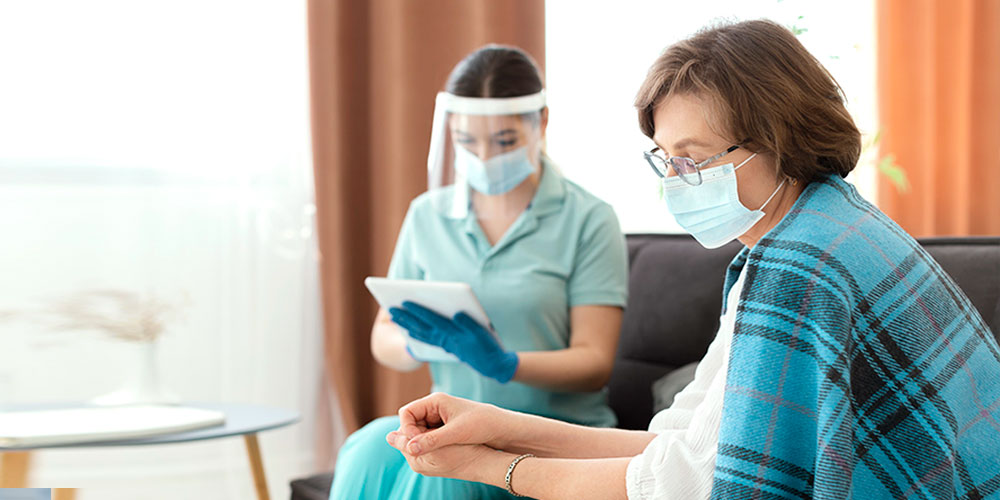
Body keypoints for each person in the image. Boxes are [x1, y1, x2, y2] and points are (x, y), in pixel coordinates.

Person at [383, 20, 1000, 499]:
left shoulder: (802, 266)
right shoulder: (816, 229)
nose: (678, 180)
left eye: (694, 158)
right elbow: (678, 439)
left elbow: (689, 482)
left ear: (778, 138)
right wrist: (498, 424)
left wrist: (498, 468)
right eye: (666, 159)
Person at [328, 45, 629, 499]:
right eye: (468, 141)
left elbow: (593, 362)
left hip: (549, 438)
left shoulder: (588, 218)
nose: (485, 156)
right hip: (455, 422)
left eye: (504, 141)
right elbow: (382, 336)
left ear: (540, 123)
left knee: (447, 476)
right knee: (365, 448)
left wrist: (506, 365)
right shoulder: (427, 215)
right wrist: (416, 340)